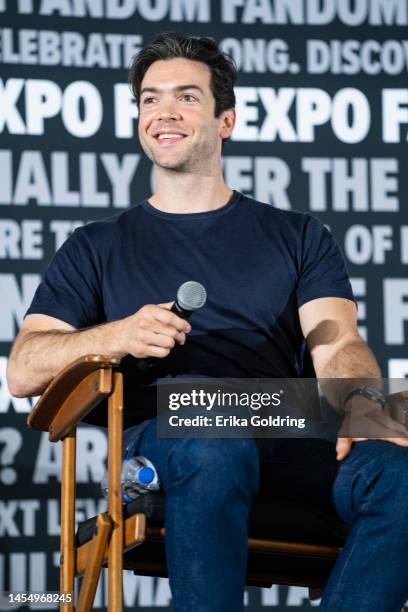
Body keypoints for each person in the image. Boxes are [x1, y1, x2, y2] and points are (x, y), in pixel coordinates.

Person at [7, 32, 408, 612]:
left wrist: (369, 405)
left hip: (284, 416)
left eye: (186, 97)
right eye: (149, 99)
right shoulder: (95, 246)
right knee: (209, 428)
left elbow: (338, 339)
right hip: (176, 420)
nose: (163, 112)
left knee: (398, 455)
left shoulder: (298, 235)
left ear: (226, 120)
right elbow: (22, 370)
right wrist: (118, 334)